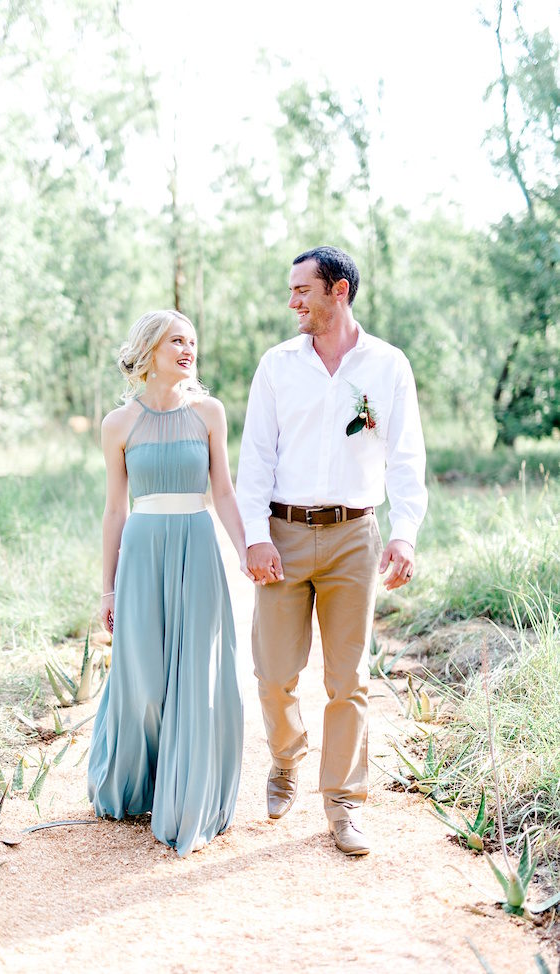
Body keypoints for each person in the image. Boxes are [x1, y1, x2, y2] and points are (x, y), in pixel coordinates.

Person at [236, 246, 427, 856]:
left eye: (302, 290)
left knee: (348, 680)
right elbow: (256, 456)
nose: (292, 301)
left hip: (354, 536)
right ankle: (286, 760)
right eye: (292, 291)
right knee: (272, 674)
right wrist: (256, 535)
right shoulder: (277, 365)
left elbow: (405, 454)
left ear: (337, 291)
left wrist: (405, 531)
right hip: (283, 534)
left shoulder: (388, 365)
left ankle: (343, 801)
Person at [87, 309, 252, 857]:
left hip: (197, 547)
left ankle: (187, 794)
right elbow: (114, 510)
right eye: (176, 341)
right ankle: (140, 779)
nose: (188, 349)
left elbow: (224, 491)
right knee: (144, 676)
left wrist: (247, 548)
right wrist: (106, 590)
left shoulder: (209, 412)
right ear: (150, 349)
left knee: (194, 674)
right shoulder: (118, 424)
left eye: (192, 341)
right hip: (141, 552)